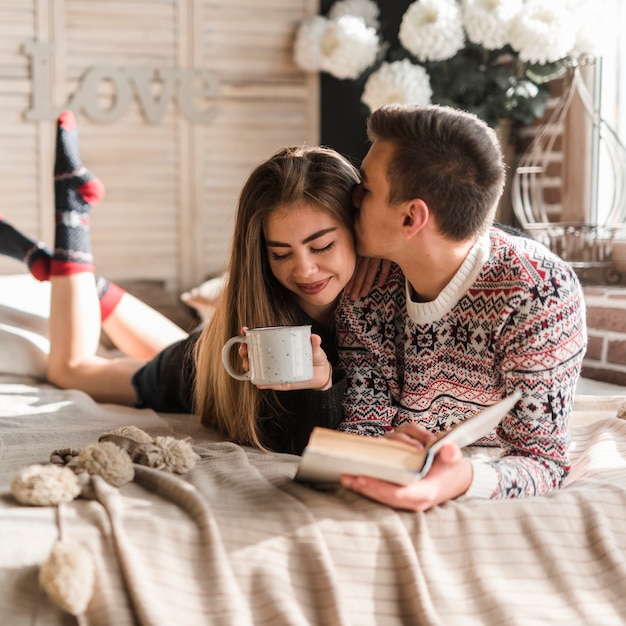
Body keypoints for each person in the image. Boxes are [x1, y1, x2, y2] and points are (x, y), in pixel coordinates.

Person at [0, 111, 383, 455]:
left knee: (168, 344)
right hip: (197, 368)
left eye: (322, 246)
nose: (304, 270)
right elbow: (290, 443)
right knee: (71, 370)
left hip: (204, 344)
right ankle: (72, 220)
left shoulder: (391, 295)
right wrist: (319, 387)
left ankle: (64, 270)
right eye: (280, 254)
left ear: (357, 229)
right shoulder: (260, 324)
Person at [334, 104, 587, 510]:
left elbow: (544, 459)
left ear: (411, 218)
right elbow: (363, 422)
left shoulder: (540, 293)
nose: (352, 198)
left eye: (366, 189)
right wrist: (384, 449)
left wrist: (460, 478)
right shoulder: (367, 287)